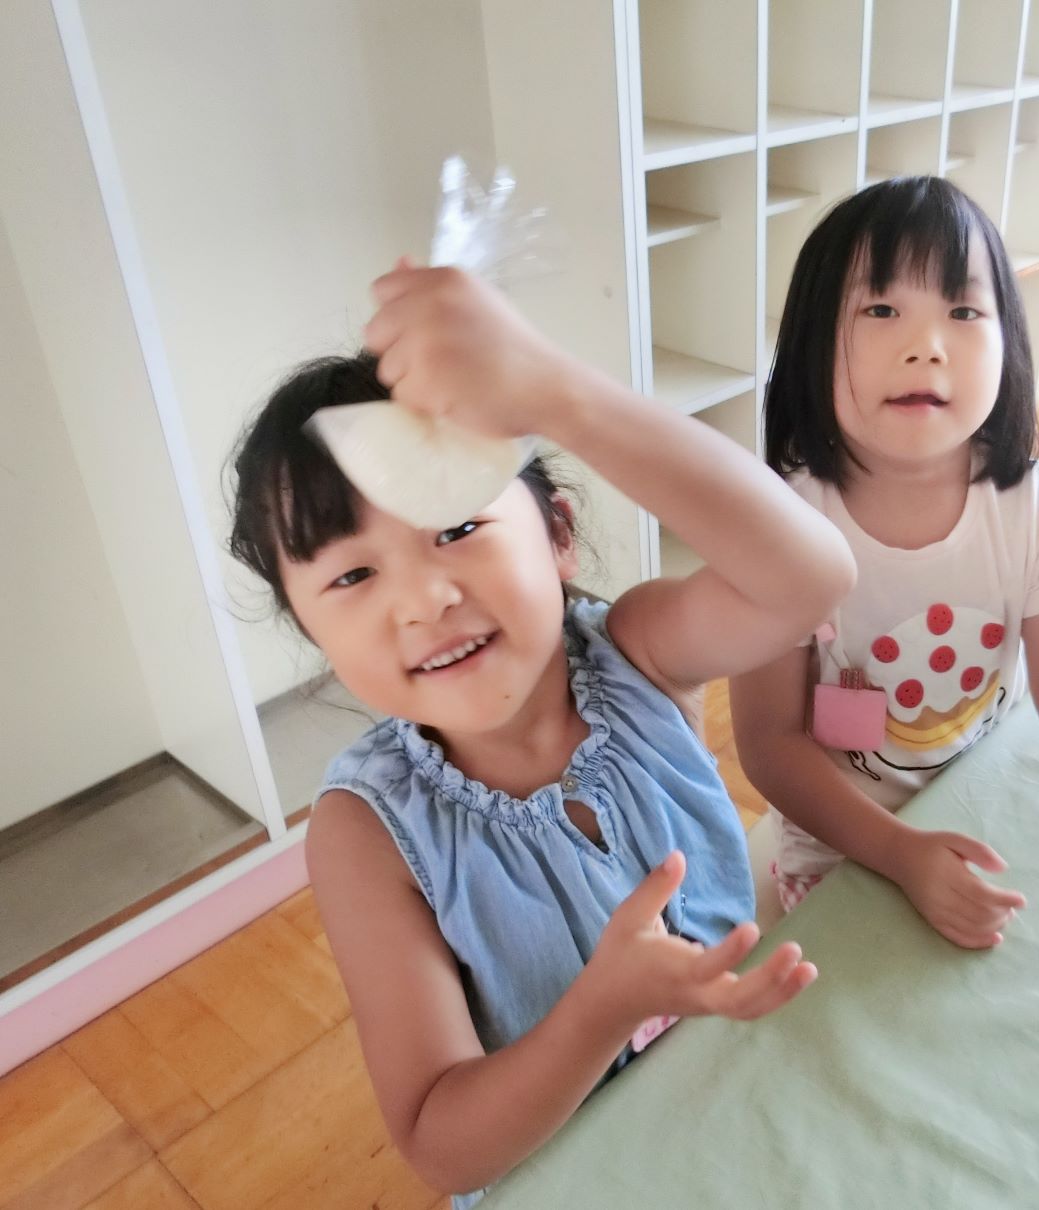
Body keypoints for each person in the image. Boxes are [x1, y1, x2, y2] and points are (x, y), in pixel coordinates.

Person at [227, 265, 856, 1204]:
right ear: (312, 632)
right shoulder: (365, 833)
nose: (424, 600)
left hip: (742, 1096)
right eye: (352, 578)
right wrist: (601, 1010)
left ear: (558, 535)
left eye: (456, 527)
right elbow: (441, 1146)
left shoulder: (638, 655)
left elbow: (811, 576)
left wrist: (558, 395)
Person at [732, 176, 1039, 948]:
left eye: (963, 312)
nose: (926, 345)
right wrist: (901, 854)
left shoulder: (1030, 505)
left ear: (1008, 343)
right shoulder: (783, 525)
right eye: (880, 310)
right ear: (811, 342)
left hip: (984, 808)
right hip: (843, 848)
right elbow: (769, 745)